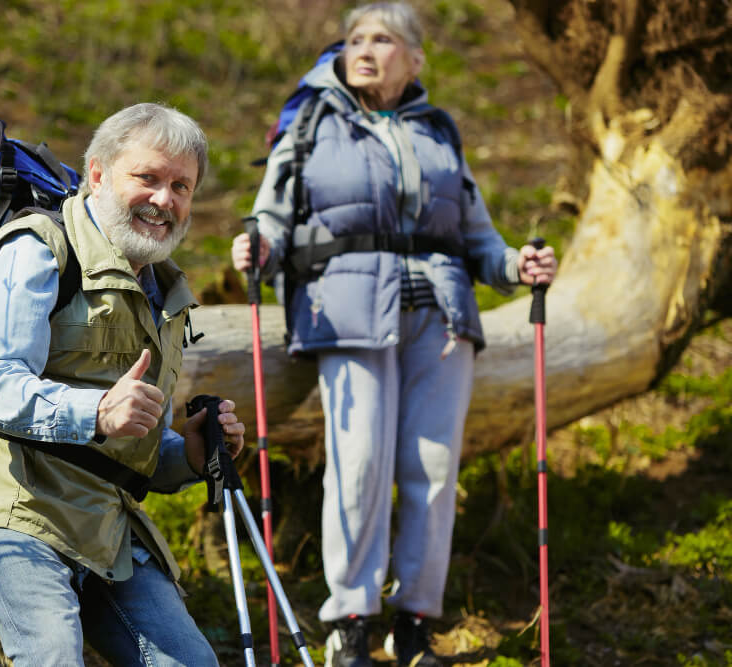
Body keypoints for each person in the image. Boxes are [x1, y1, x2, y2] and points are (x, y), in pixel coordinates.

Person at [231, 3, 558, 666]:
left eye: (383, 39)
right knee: (360, 464)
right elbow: (272, 213)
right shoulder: (314, 120)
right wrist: (258, 248)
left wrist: (516, 267)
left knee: (434, 470)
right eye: (356, 38)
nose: (365, 49)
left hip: (441, 317)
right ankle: (349, 618)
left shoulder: (439, 130)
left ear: (415, 59)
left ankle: (414, 622)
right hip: (346, 310)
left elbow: (478, 238)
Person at [0, 102, 245, 667]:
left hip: (107, 526)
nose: (164, 200)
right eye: (146, 177)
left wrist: (188, 455)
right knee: (51, 653)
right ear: (97, 173)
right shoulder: (37, 251)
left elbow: (128, 444)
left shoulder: (164, 292)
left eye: (181, 186)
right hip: (11, 502)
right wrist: (96, 410)